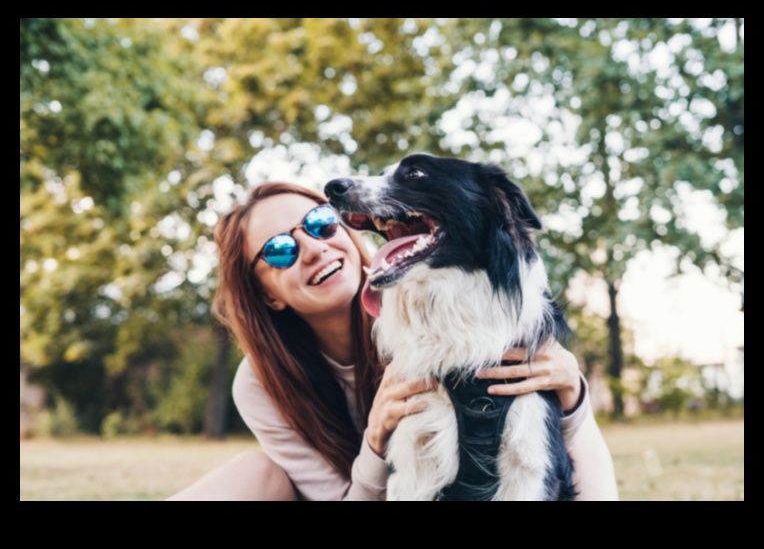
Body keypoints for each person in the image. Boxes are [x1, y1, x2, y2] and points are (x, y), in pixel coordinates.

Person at [168, 182, 618, 501]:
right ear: (266, 293)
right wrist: (377, 440)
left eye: (321, 223)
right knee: (254, 473)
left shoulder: (435, 308)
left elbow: (546, 448)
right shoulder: (262, 383)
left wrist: (573, 394)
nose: (312, 247)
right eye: (280, 250)